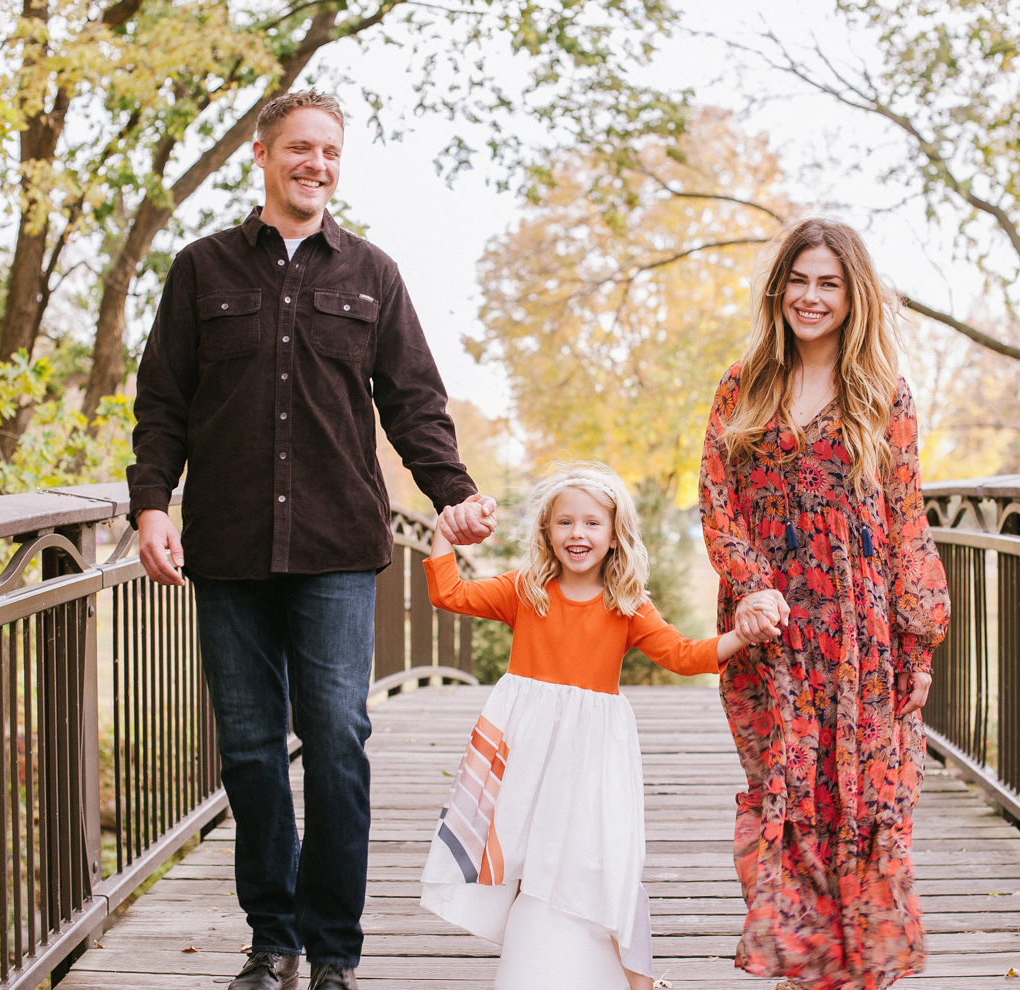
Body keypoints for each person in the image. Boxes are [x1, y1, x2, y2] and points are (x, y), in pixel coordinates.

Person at [126, 88, 496, 990]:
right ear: (263, 154)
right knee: (250, 752)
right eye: (299, 148)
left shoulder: (372, 273)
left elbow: (414, 400)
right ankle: (272, 938)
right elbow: (163, 405)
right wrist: (151, 506)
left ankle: (334, 951)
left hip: (336, 547)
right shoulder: (201, 270)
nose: (316, 165)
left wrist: (453, 491)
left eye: (330, 151)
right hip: (228, 548)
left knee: (337, 740)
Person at [698, 218, 951, 990]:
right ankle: (803, 968)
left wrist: (920, 645)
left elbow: (907, 525)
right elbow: (716, 501)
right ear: (780, 289)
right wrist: (753, 586)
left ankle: (850, 975)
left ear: (853, 296)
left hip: (861, 630)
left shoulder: (885, 395)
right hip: (769, 627)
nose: (811, 297)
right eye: (799, 280)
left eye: (828, 284)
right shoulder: (744, 385)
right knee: (789, 785)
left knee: (857, 794)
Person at [416, 463, 755, 990]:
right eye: (565, 523)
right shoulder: (525, 590)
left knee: (601, 856)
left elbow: (684, 655)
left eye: (593, 523)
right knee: (531, 854)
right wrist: (445, 528)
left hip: (593, 754)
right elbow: (450, 593)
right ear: (547, 533)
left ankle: (633, 976)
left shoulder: (626, 605)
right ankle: (541, 965)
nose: (578, 534)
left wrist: (743, 635)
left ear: (615, 533)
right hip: (526, 750)